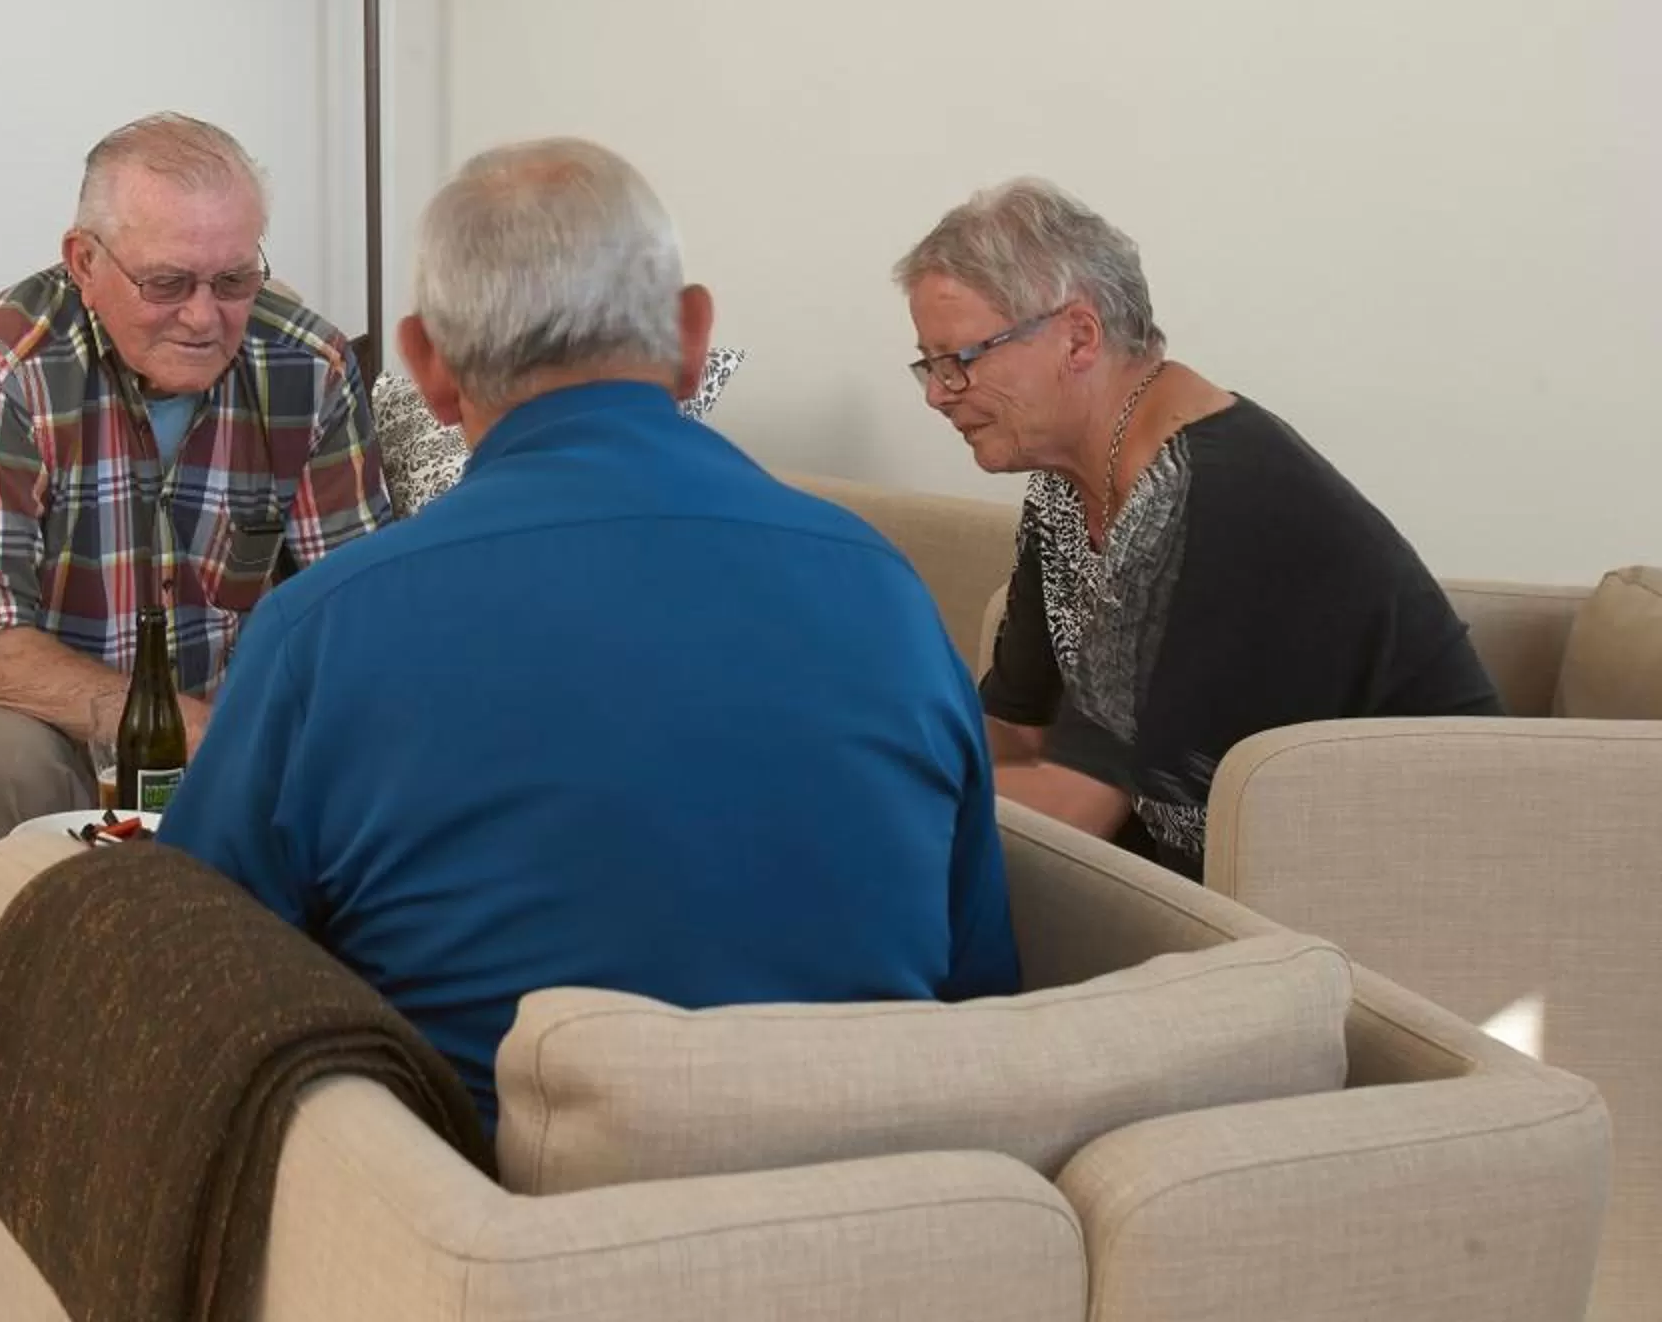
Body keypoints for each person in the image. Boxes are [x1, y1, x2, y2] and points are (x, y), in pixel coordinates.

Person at [161, 139, 1019, 1129]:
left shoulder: (322, 623)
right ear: (693, 333)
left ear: (428, 364)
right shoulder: (890, 590)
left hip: (477, 1225)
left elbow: (200, 976)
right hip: (878, 1207)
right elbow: (981, 982)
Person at [896, 178, 1503, 880]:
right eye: (929, 365)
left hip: (1404, 876)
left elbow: (1074, 808)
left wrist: (861, 795)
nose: (940, 393)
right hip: (1228, 869)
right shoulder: (1067, 486)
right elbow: (1016, 731)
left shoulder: (1208, 492)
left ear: (1078, 337)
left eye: (960, 360)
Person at [0, 113, 392, 867]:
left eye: (232, 280)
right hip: (45, 711)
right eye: (165, 283)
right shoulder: (0, 369)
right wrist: (200, 735)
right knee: (7, 760)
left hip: (230, 706)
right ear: (84, 262)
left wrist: (264, 722)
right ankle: (42, 977)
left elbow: (351, 606)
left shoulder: (307, 363)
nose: (203, 316)